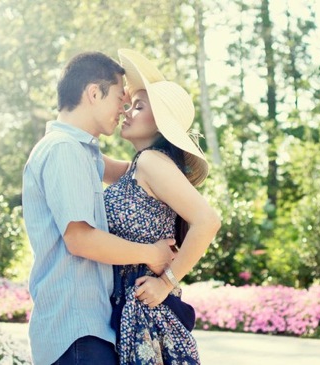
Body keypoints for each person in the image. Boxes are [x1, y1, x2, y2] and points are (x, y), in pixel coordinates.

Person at [22, 51, 176, 365]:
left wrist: (165, 144)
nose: (123, 108)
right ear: (94, 93)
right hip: (76, 331)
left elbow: (138, 174)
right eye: (120, 97)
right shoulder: (64, 151)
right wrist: (151, 253)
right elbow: (80, 239)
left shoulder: (81, 152)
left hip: (85, 330)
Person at [103, 49, 221, 364]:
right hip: (133, 307)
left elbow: (208, 221)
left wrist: (167, 282)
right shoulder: (138, 166)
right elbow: (91, 162)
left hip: (149, 312)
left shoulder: (153, 162)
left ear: (161, 124)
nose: (127, 111)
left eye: (138, 107)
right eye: (128, 104)